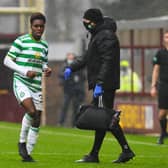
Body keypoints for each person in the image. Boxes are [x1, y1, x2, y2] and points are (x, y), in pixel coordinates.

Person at [64, 8, 135, 163]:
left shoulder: (106, 36)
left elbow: (107, 61)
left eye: (86, 22)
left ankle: (121, 151)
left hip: (105, 84)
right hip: (102, 83)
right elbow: (88, 57)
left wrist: (100, 83)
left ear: (93, 21)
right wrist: (72, 67)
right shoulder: (98, 35)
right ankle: (103, 153)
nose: (85, 25)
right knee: (102, 118)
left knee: (105, 118)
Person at [3, 12, 52, 162]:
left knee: (37, 119)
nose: (39, 29)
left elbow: (41, 62)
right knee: (32, 112)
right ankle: (22, 143)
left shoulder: (44, 45)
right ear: (31, 26)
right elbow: (7, 61)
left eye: (41, 26)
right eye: (36, 26)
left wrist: (46, 68)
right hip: (21, 82)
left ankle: (27, 154)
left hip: (36, 85)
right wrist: (24, 71)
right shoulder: (21, 41)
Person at [58, 52, 85, 127]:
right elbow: (60, 75)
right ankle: (61, 122)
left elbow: (83, 77)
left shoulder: (78, 66)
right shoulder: (64, 66)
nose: (71, 57)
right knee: (64, 106)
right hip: (67, 89)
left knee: (75, 107)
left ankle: (74, 123)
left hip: (76, 90)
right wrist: (63, 81)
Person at [151, 31, 168, 144]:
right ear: (164, 39)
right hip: (164, 85)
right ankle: (163, 133)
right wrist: (153, 86)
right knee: (162, 112)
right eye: (167, 36)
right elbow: (156, 70)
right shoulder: (160, 53)